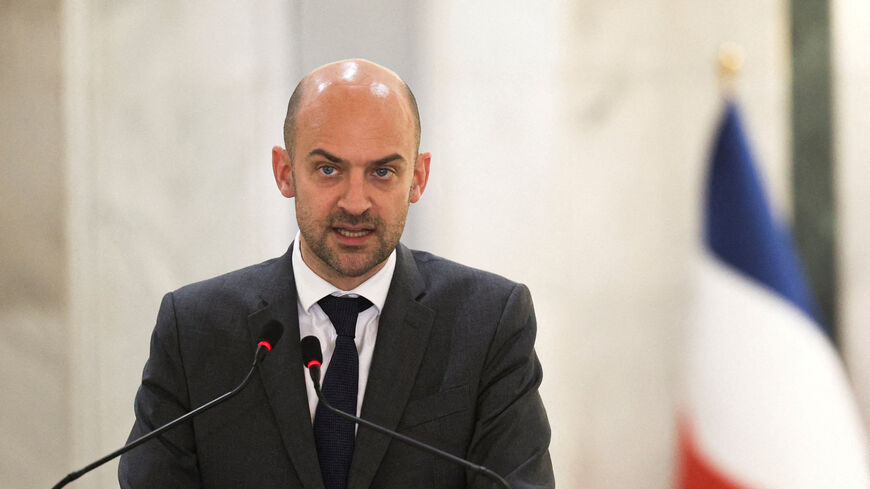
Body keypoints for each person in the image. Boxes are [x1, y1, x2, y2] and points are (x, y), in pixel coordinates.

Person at [119, 59, 554, 489]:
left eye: (382, 172)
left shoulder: (489, 322)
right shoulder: (195, 329)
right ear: (285, 172)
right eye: (329, 169)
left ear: (418, 178)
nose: (355, 201)